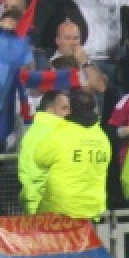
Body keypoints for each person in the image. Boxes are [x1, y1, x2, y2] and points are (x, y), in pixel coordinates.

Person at [33, 87, 112, 220]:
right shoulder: (101, 136)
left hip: (61, 211)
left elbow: (39, 158)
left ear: (71, 108)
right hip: (92, 210)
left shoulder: (59, 134)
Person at [18, 89, 70, 213]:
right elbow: (30, 173)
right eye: (64, 108)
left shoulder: (58, 132)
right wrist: (34, 208)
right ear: (50, 109)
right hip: (43, 209)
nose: (69, 113)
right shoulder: (40, 134)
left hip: (56, 206)